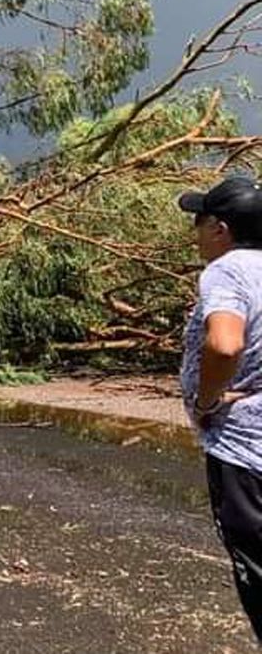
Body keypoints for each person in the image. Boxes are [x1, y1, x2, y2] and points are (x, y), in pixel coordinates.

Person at [180, 175, 262, 640]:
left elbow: (225, 345)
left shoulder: (227, 270)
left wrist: (207, 400)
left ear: (220, 228)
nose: (195, 233)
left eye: (199, 221)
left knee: (256, 572)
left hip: (245, 452)